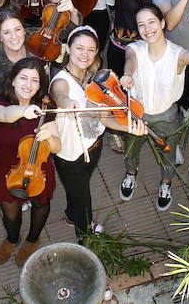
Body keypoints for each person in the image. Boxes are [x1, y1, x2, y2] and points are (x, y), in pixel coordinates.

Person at [119, 4, 189, 210]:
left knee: (169, 150)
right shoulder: (134, 49)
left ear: (162, 23)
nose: (147, 29)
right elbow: (130, 63)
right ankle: (131, 173)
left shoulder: (176, 54)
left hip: (167, 115)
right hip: (138, 114)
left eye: (152, 22)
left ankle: (166, 182)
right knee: (131, 148)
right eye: (142, 25)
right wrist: (128, 75)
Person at [49, 27, 141, 238]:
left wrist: (129, 127)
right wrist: (67, 102)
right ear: (68, 49)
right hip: (70, 156)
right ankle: (86, 238)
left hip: (93, 146)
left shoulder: (95, 79)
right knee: (83, 199)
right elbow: (60, 94)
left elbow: (104, 118)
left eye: (91, 49)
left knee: (78, 190)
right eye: (79, 48)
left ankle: (70, 215)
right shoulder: (61, 80)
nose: (85, 54)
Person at [0, 58, 62, 265]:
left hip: (38, 168)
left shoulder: (46, 110)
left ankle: (32, 239)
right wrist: (24, 111)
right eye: (23, 78)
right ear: (12, 80)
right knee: (9, 212)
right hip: (6, 167)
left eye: (35, 80)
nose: (28, 85)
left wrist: (49, 135)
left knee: (41, 202)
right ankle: (12, 239)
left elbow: (57, 147)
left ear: (40, 85)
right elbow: (3, 115)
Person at [0, 11, 29, 95]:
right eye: (6, 32)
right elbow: (1, 100)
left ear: (24, 30)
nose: (14, 36)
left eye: (17, 29)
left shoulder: (35, 39)